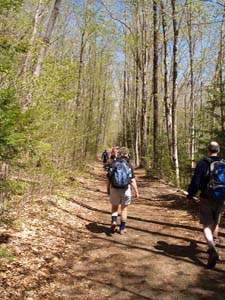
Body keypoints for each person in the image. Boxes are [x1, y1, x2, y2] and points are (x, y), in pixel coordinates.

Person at [187, 141, 225, 269]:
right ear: (218, 150)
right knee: (216, 222)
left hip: (206, 197)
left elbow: (196, 181)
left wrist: (190, 195)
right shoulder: (223, 162)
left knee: (206, 224)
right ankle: (213, 245)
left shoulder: (203, 163)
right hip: (221, 198)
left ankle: (211, 248)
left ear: (208, 150)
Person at [106, 147, 139, 234]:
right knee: (124, 209)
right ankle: (122, 228)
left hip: (114, 189)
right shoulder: (129, 166)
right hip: (125, 189)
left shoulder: (113, 164)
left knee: (114, 207)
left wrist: (107, 188)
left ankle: (113, 221)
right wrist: (136, 191)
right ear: (127, 155)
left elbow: (108, 178)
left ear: (118, 154)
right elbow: (132, 180)